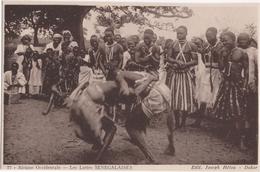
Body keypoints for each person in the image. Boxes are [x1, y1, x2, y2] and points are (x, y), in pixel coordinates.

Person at [213, 31, 249, 150]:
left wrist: (244, 87)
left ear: (233, 40)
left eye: (226, 40)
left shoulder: (242, 53)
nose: (224, 42)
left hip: (237, 85)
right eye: (222, 40)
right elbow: (221, 68)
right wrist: (221, 56)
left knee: (238, 112)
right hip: (226, 84)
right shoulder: (224, 52)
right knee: (227, 110)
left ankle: (241, 140)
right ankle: (232, 135)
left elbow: (247, 72)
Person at [165, 25, 198, 129]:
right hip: (175, 74)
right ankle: (177, 121)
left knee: (185, 98)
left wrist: (186, 64)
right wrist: (176, 61)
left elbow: (195, 60)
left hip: (185, 74)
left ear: (186, 33)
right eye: (178, 33)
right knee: (175, 98)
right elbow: (168, 58)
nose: (179, 35)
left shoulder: (191, 45)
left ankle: (183, 122)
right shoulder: (172, 44)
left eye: (181, 33)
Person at [192, 27, 224, 127]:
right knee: (203, 96)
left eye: (210, 36)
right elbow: (204, 60)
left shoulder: (221, 46)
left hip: (217, 73)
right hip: (207, 73)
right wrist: (202, 53)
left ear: (215, 35)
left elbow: (222, 63)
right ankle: (198, 120)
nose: (208, 38)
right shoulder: (207, 47)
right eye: (207, 37)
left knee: (216, 96)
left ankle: (218, 123)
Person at [237, 33, 258, 146]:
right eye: (239, 40)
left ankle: (249, 137)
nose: (241, 42)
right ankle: (241, 137)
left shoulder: (254, 52)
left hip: (250, 86)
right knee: (240, 112)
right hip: (238, 85)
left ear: (249, 40)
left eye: (244, 40)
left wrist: (255, 85)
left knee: (250, 113)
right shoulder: (236, 51)